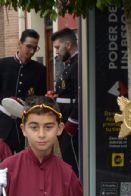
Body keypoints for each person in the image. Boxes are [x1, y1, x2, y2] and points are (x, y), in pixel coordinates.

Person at [0, 29, 47, 153]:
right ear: (19, 43)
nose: (31, 51)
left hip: (25, 124)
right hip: (2, 123)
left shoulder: (40, 69)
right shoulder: (1, 64)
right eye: (28, 46)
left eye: (35, 48)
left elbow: (41, 97)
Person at [52, 27, 80, 176]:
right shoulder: (70, 63)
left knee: (73, 162)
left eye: (58, 47)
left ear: (68, 45)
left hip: (71, 121)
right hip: (64, 117)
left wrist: (72, 122)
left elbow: (80, 96)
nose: (57, 52)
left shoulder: (78, 64)